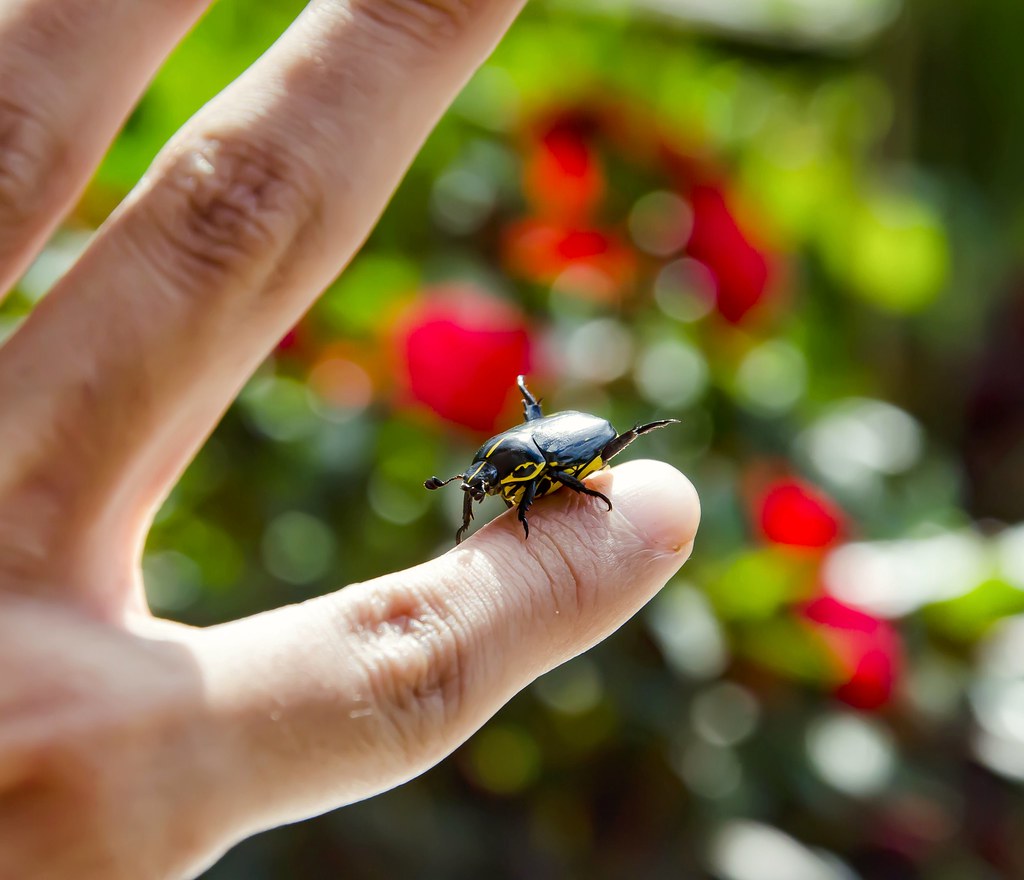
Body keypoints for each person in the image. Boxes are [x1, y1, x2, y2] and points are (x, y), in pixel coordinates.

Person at [0, 1, 700, 876]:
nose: (489, 491)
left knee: (576, 465)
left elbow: (564, 465)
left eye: (492, 489)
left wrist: (569, 485)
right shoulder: (511, 469)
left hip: (574, 440)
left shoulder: (538, 465)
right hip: (555, 443)